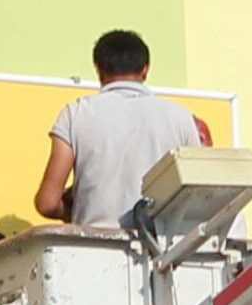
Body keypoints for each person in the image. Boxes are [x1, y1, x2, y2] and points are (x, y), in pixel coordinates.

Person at [34, 30, 213, 231]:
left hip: (91, 249)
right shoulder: (181, 118)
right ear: (145, 70)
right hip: (163, 251)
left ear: (99, 69)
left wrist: (69, 211)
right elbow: (199, 198)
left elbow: (47, 202)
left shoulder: (76, 113)